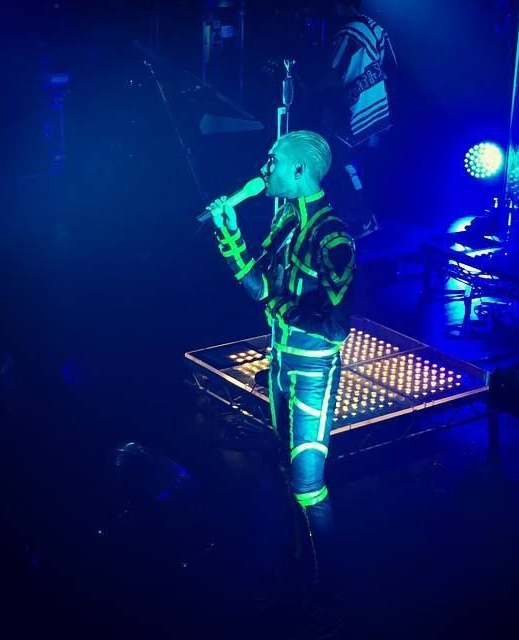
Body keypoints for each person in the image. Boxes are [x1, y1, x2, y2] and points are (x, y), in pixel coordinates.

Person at [206, 130, 355, 584]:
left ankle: (329, 588)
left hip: (312, 370)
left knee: (308, 485)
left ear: (298, 169)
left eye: (272, 160)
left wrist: (277, 304)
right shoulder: (287, 220)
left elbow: (335, 326)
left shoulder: (332, 237)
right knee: (287, 472)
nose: (264, 169)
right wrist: (229, 232)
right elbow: (259, 286)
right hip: (280, 364)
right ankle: (301, 570)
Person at [301, 0, 397, 238]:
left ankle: (362, 219)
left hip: (355, 111)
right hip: (377, 107)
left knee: (338, 161)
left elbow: (333, 76)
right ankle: (362, 218)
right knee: (352, 162)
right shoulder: (376, 27)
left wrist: (307, 90)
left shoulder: (347, 32)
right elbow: (392, 66)